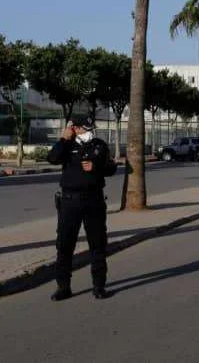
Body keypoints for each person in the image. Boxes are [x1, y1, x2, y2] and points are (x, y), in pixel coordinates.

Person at [46, 115, 117, 301]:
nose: (90, 132)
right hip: (70, 202)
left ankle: (99, 286)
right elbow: (52, 158)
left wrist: (96, 166)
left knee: (98, 244)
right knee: (64, 245)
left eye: (91, 128)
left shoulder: (99, 145)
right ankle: (63, 287)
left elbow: (111, 168)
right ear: (75, 128)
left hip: (94, 201)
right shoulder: (67, 146)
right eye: (86, 128)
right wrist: (64, 138)